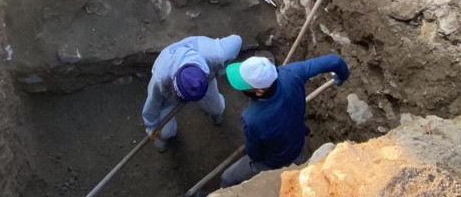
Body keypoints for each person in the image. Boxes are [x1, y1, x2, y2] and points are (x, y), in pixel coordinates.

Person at [220, 54, 350, 188]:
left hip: (275, 162)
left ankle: (226, 190)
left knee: (227, 178)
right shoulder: (291, 73)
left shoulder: (252, 118)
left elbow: (255, 154)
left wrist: (250, 153)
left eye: (244, 85)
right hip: (299, 146)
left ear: (259, 91)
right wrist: (342, 77)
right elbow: (335, 61)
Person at [143, 35, 243, 153]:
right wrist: (151, 126)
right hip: (169, 94)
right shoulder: (160, 79)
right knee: (164, 131)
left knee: (217, 108)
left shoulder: (215, 55)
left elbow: (237, 40)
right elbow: (152, 104)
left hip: (204, 81)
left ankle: (215, 113)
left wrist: (221, 68)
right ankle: (162, 137)